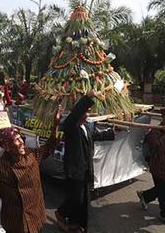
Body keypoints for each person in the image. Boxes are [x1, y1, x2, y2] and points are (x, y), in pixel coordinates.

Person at [0, 104, 63, 233]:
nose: (22, 143)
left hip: (36, 215)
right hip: (16, 221)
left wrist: (55, 124)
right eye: (17, 141)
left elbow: (49, 146)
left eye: (21, 139)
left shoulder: (31, 155)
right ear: (7, 147)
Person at [55, 90, 116, 232]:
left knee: (83, 200)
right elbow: (76, 113)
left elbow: (96, 135)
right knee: (76, 199)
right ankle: (61, 213)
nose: (87, 113)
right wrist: (87, 97)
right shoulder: (70, 125)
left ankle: (76, 223)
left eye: (89, 112)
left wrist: (113, 132)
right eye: (85, 111)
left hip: (85, 168)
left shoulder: (86, 127)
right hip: (74, 168)